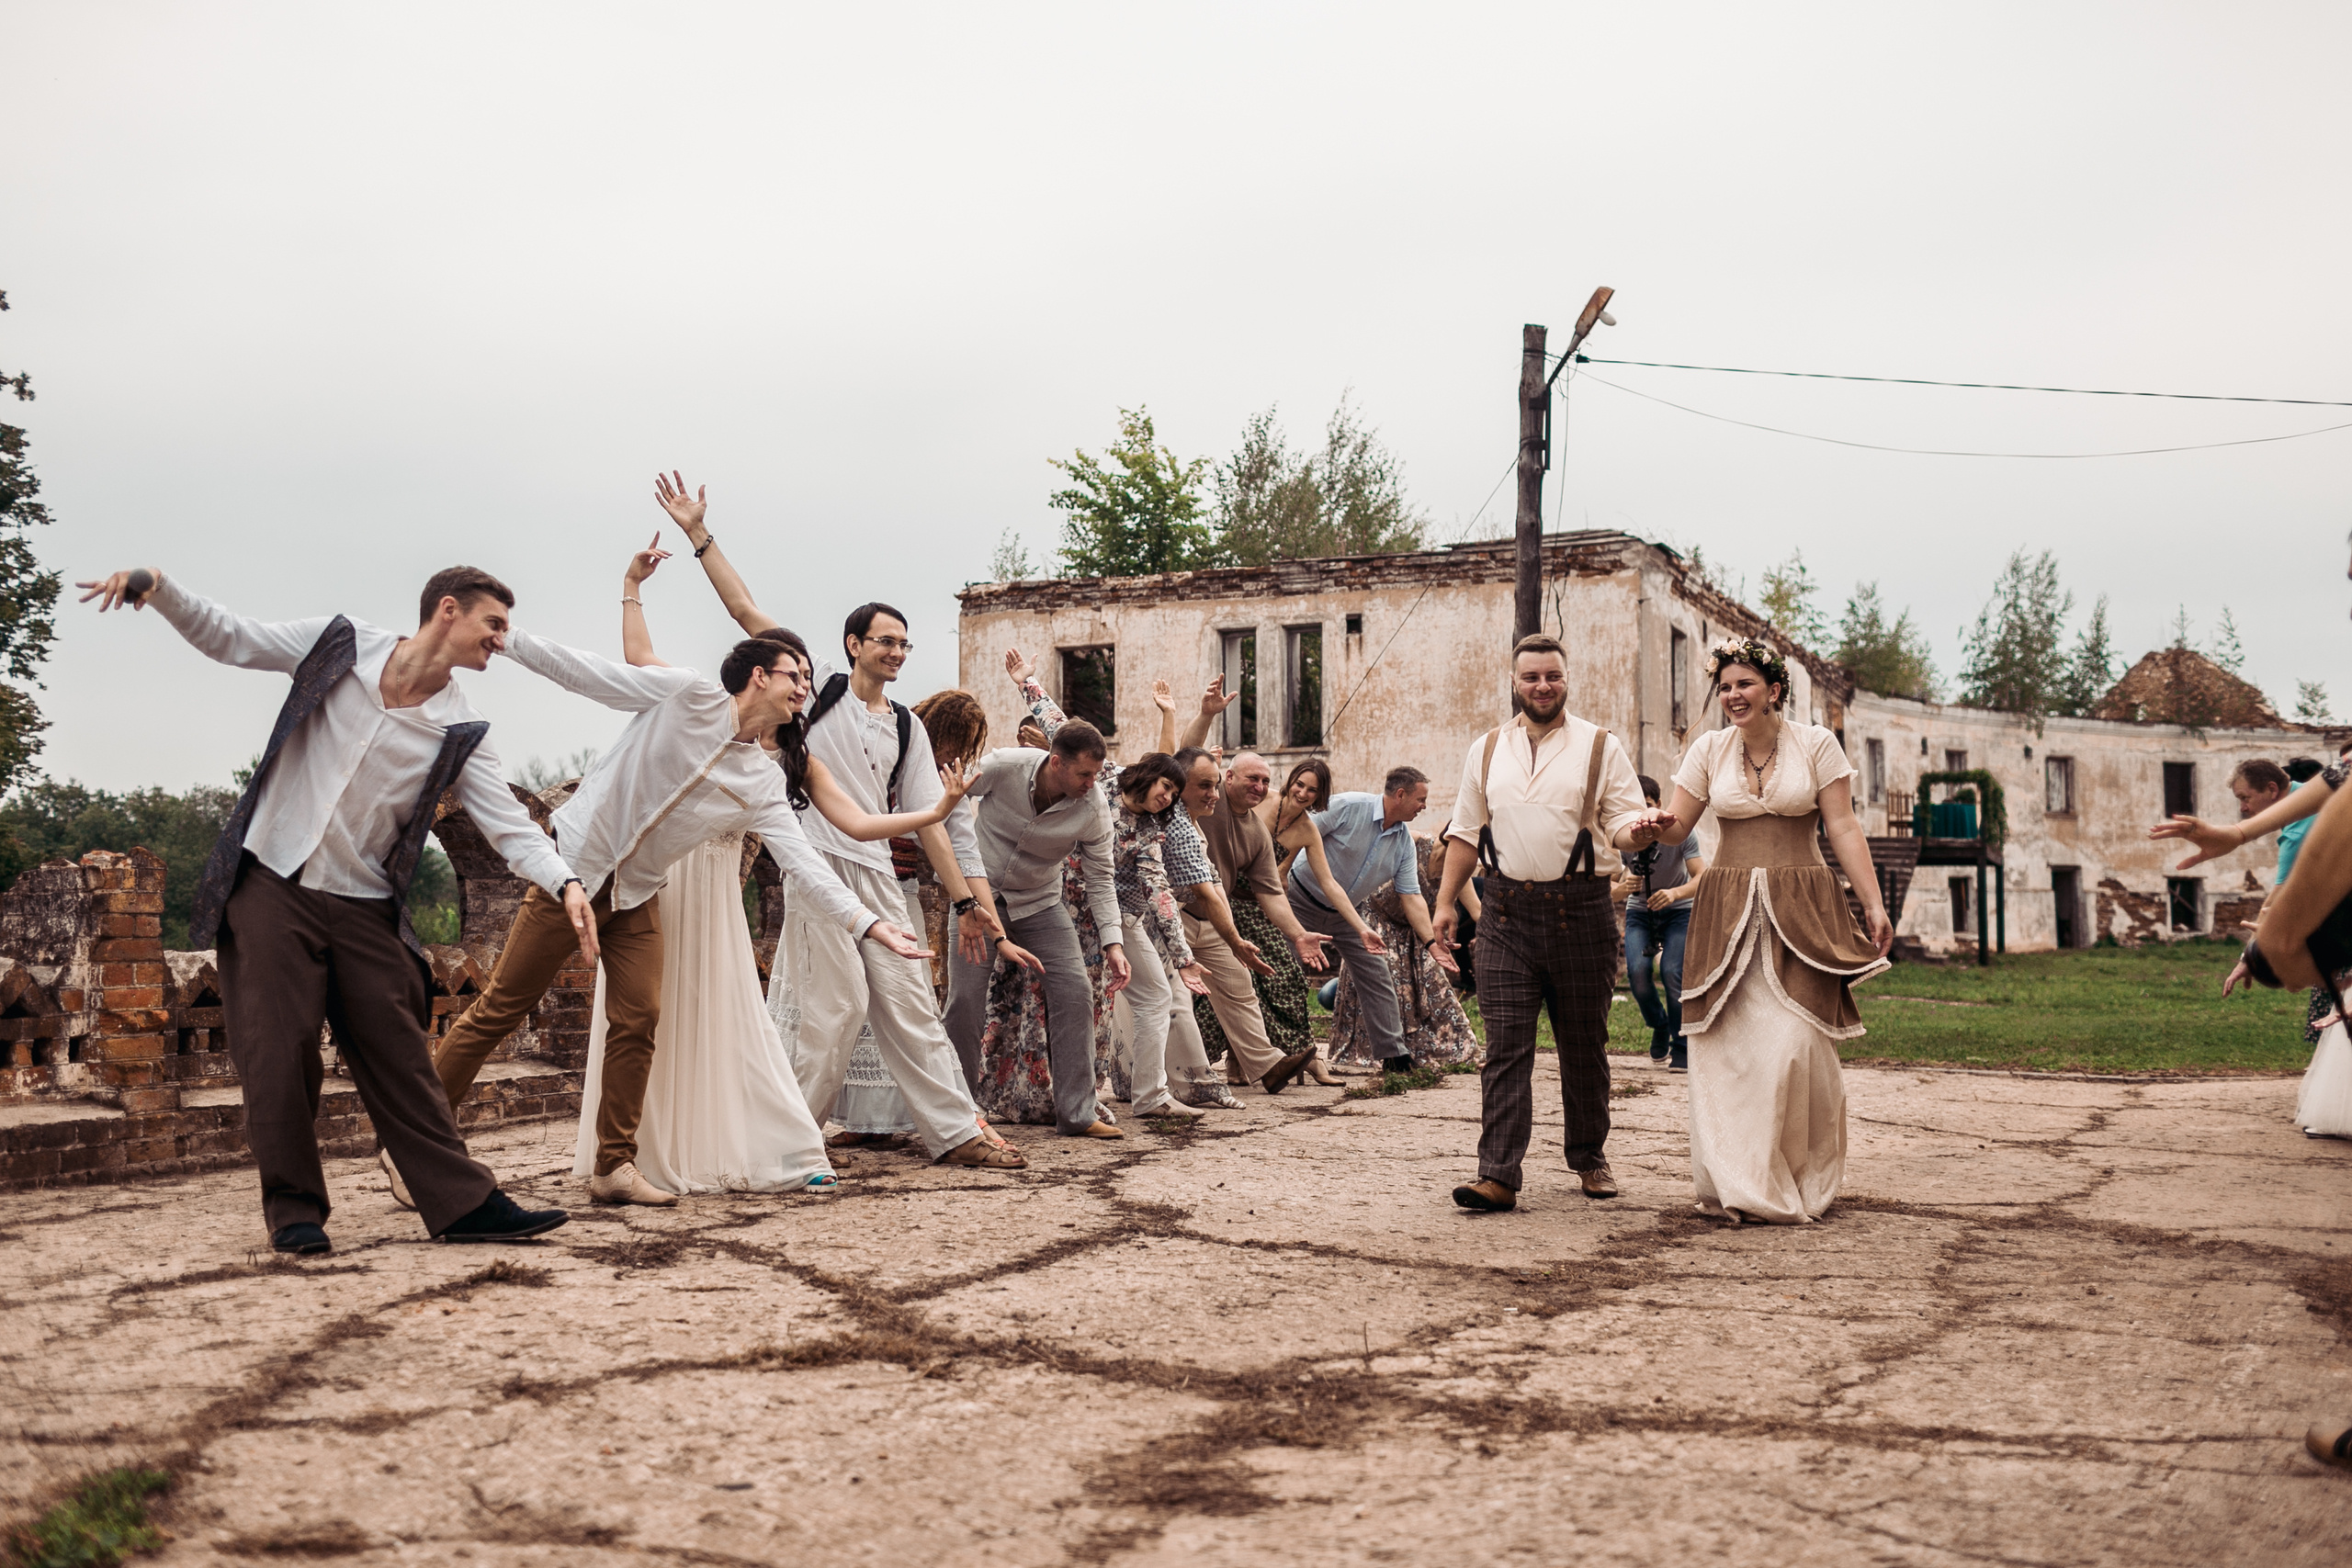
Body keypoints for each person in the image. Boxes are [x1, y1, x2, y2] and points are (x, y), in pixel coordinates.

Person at [75, 563, 582, 1254]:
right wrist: (159, 588)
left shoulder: (461, 726)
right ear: (447, 610)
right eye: (493, 623)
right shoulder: (339, 645)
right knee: (276, 1049)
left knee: (400, 1051)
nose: (501, 638)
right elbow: (232, 637)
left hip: (365, 904)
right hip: (273, 884)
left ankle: (464, 1203)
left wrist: (565, 882)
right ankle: (295, 1213)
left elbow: (510, 828)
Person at [431, 572, 956, 1206]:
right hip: (573, 873)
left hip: (637, 895)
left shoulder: (762, 780)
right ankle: (418, 1141)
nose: (805, 692)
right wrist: (505, 639)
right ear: (759, 675)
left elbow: (805, 863)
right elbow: (585, 673)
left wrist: (868, 923)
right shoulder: (684, 696)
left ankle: (614, 1166)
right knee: (499, 1008)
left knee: (639, 1018)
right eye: (797, 677)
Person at [566, 538, 972, 1193]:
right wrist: (669, 562)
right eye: (795, 679)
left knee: (730, 1015)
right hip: (667, 877)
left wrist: (934, 812)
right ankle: (632, 1146)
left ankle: (765, 1144)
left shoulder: (793, 756)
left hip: (722, 891)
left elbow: (858, 824)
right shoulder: (707, 715)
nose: (801, 690)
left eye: (907, 643)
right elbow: (662, 649)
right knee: (650, 1014)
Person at [650, 476, 1022, 1169]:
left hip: (878, 874)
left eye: (906, 645)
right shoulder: (813, 691)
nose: (898, 653)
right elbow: (744, 609)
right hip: (818, 866)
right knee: (834, 1007)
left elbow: (929, 824)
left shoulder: (908, 726)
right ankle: (785, 1141)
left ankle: (956, 1131)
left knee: (910, 1002)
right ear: (853, 644)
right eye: (886, 641)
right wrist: (699, 535)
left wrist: (968, 901)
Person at [1643, 637, 1894, 1224]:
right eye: (1725, 686)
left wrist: (1872, 903)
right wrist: (1645, 828)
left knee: (1796, 1046)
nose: (1732, 695)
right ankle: (1740, 1184)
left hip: (1801, 907)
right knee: (1725, 1050)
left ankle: (1800, 1177)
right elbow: (1677, 830)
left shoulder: (1816, 745)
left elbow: (1844, 828)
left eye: (1745, 684)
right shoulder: (1707, 749)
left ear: (1773, 690)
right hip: (1726, 907)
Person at [1433, 634, 1657, 1213]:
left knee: (1584, 1046)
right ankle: (1498, 1175)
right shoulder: (1485, 750)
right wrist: (1444, 903)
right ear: (1514, 682)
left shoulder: (1600, 747)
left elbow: (1625, 824)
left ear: (1566, 678)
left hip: (1581, 911)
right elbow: (1463, 833)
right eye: (1531, 677)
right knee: (1505, 1048)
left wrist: (1645, 831)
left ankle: (1589, 1156)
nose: (1542, 686)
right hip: (1505, 914)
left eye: (1552, 676)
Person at [1001, 654, 1217, 1119]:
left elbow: (1159, 891)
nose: (1168, 799)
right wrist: (1028, 683)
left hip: (1114, 919)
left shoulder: (1149, 832)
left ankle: (1131, 1095)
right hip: (1059, 907)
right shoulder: (1104, 779)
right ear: (1148, 776)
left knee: (1105, 1003)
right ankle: (1038, 1096)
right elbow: (1063, 727)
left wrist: (1184, 957)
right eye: (1165, 788)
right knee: (1044, 999)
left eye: (1175, 798)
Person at [940, 709, 1134, 1137]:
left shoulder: (1093, 807)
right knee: (965, 1000)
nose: (1091, 783)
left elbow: (1101, 879)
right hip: (977, 901)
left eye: (1096, 774)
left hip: (1041, 905)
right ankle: (958, 1115)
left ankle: (1078, 1114)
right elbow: (948, 806)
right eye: (1084, 774)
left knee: (1076, 993)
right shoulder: (1003, 766)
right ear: (1055, 761)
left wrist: (1113, 945)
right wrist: (956, 886)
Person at [1285, 767, 1457, 1077]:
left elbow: (1412, 897)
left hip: (1348, 915)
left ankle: (1395, 1056)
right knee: (1283, 973)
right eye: (1421, 799)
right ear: (1400, 795)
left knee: (1378, 973)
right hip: (1298, 900)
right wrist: (1278, 876)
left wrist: (1432, 942)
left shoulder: (1404, 843)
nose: (1424, 807)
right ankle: (1283, 1051)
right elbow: (1298, 832)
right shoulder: (1348, 807)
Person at [1327, 827, 1481, 1071]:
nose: (1470, 857)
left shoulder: (1459, 874)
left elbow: (1478, 913)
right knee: (1381, 983)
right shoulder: (1414, 841)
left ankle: (1461, 1051)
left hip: (1414, 931)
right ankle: (1384, 1051)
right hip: (1375, 920)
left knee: (1437, 989)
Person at [1619, 773, 1706, 1072]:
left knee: (1672, 971)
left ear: (1658, 804)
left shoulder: (1680, 833)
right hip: (1640, 911)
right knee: (1638, 974)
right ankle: (1659, 1025)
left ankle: (1681, 1045)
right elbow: (1612, 878)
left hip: (1679, 909)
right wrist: (1623, 884)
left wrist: (1673, 893)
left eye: (1647, 806)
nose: (1643, 814)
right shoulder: (1623, 834)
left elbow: (1702, 876)